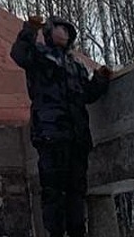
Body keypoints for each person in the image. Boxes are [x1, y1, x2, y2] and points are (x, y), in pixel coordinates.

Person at [10, 13, 113, 237]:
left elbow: (87, 94)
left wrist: (100, 79)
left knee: (76, 190)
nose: (64, 33)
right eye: (60, 28)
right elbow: (19, 54)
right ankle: (55, 233)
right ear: (49, 31)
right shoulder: (39, 55)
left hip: (76, 138)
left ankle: (77, 232)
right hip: (51, 134)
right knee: (53, 190)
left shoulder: (76, 66)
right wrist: (30, 29)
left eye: (67, 31)